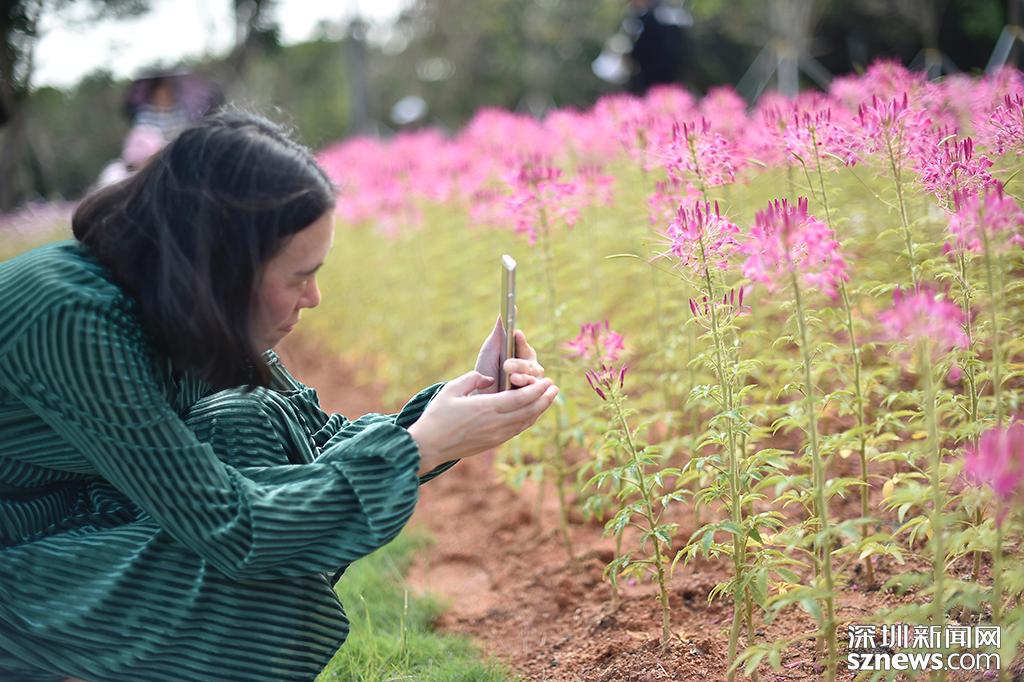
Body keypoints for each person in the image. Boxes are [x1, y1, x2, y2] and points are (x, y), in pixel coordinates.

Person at [0, 110, 558, 681]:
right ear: (223, 265)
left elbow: (317, 443)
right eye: (298, 276)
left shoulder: (187, 305)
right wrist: (420, 447)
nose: (313, 297)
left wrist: (457, 407)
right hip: (20, 561)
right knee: (257, 570)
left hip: (83, 523)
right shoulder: (70, 316)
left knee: (251, 420)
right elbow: (232, 527)